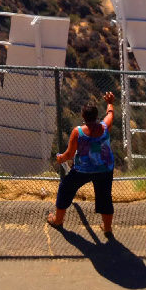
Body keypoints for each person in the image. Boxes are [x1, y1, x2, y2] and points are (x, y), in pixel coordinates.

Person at [47, 91, 116, 238]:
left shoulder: (77, 132)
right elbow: (110, 114)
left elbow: (70, 154)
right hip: (104, 168)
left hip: (82, 170)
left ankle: (58, 220)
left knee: (65, 189)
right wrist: (110, 102)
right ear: (97, 116)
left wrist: (60, 158)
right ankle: (107, 228)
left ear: (83, 117)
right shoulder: (105, 128)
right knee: (105, 197)